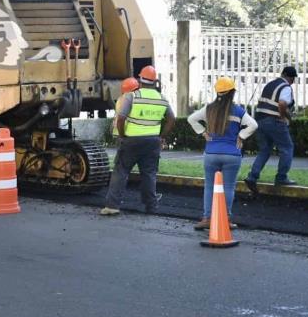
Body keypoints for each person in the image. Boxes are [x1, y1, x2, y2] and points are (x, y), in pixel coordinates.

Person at [101, 65, 175, 216]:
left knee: (121, 171)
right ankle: (151, 207)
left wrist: (122, 135)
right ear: (155, 82)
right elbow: (172, 119)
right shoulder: (162, 98)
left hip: (131, 141)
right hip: (152, 142)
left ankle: (112, 206)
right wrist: (161, 136)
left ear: (140, 80)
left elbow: (121, 118)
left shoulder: (132, 96)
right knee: (149, 174)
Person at [187, 77, 258, 230]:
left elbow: (191, 119)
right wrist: (241, 136)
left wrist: (203, 132)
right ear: (232, 92)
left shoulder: (208, 109)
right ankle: (225, 219)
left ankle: (206, 218)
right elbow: (253, 125)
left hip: (211, 153)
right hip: (232, 154)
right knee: (228, 187)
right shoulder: (238, 111)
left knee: (209, 186)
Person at [244, 66, 298, 193]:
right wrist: (286, 117)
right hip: (274, 121)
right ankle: (281, 177)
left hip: (259, 120)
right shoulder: (285, 87)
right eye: (292, 78)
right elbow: (282, 104)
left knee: (265, 150)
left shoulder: (270, 84)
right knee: (287, 148)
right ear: (290, 78)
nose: (292, 81)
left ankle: (252, 176)